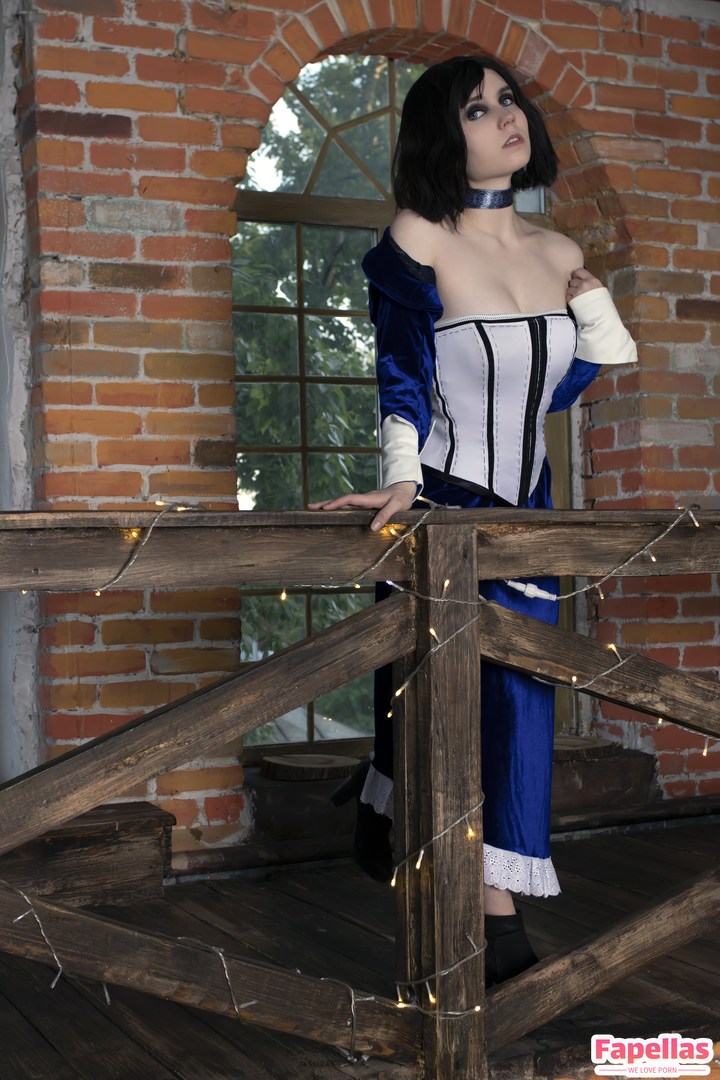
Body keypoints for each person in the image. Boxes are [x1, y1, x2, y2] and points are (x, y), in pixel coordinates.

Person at [310, 54, 637, 986]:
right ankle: (494, 923)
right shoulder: (421, 234)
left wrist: (598, 324)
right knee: (454, 702)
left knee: (519, 702)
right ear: (440, 134)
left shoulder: (560, 251)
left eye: (509, 99)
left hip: (530, 516)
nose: (505, 115)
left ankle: (389, 818)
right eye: (476, 108)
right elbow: (403, 375)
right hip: (446, 503)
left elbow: (551, 391)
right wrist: (400, 480)